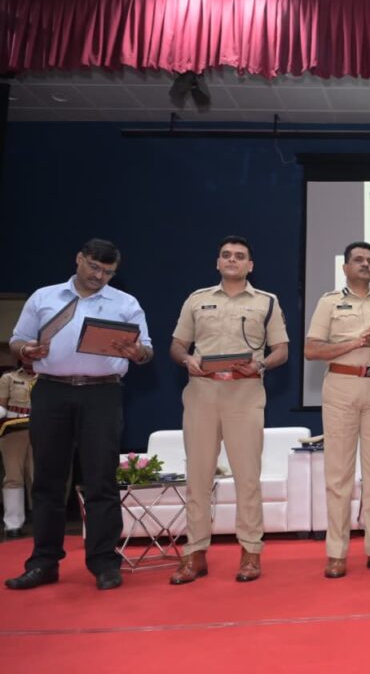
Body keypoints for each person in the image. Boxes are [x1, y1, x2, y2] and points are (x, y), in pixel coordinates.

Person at [4, 238, 153, 591]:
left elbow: (147, 351)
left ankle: (104, 562)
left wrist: (136, 352)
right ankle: (43, 562)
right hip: (51, 390)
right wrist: (26, 349)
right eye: (94, 267)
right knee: (47, 480)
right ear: (79, 259)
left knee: (101, 479)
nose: (99, 276)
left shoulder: (126, 303)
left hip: (102, 394)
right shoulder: (44, 297)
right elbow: (16, 340)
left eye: (108, 272)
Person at [168, 236, 289, 585]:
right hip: (202, 394)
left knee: (247, 478)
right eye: (226, 255)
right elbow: (177, 345)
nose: (232, 260)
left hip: (245, 394)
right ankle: (195, 553)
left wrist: (261, 364)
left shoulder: (266, 301)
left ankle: (250, 551)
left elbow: (281, 350)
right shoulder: (197, 299)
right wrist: (186, 360)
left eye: (239, 256)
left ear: (250, 265)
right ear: (218, 263)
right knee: (198, 478)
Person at [305, 241, 370, 578]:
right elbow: (312, 350)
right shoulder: (330, 302)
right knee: (339, 475)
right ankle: (336, 553)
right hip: (342, 385)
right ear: (345, 267)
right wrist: (357, 343)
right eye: (358, 260)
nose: (365, 264)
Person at [0, 362, 36, 538]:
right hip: (12, 429)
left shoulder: (49, 378)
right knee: (13, 476)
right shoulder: (8, 378)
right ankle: (12, 523)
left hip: (42, 430)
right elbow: (1, 406)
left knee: (40, 477)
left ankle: (43, 521)